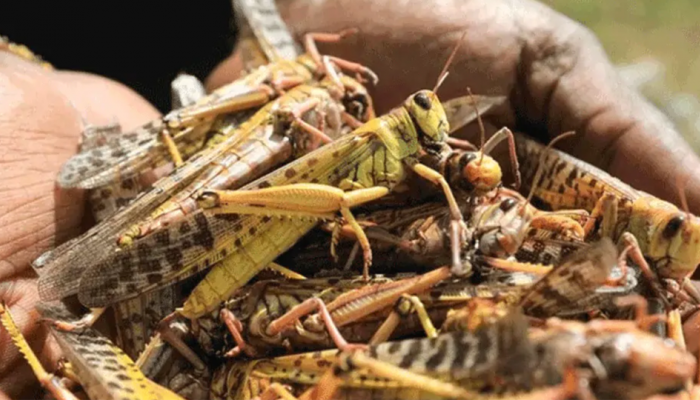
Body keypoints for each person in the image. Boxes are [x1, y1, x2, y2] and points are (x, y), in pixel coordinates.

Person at [2, 0, 699, 397]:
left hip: (274, 295)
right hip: (238, 225)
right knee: (286, 207)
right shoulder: (373, 139)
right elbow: (339, 196)